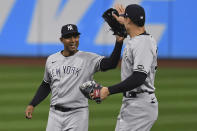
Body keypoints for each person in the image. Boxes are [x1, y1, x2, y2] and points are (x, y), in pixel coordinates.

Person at [25, 24, 124, 131]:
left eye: (75, 37)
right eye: (69, 37)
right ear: (61, 40)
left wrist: (119, 42)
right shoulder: (51, 59)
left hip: (77, 114)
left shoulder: (88, 59)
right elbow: (46, 84)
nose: (73, 40)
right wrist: (32, 104)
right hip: (54, 114)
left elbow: (111, 63)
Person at [99, 4, 158, 131]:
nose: (121, 19)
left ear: (129, 20)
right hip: (135, 104)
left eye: (124, 17)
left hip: (139, 106)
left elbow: (139, 77)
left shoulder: (142, 43)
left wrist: (108, 90)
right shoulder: (140, 40)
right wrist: (120, 36)